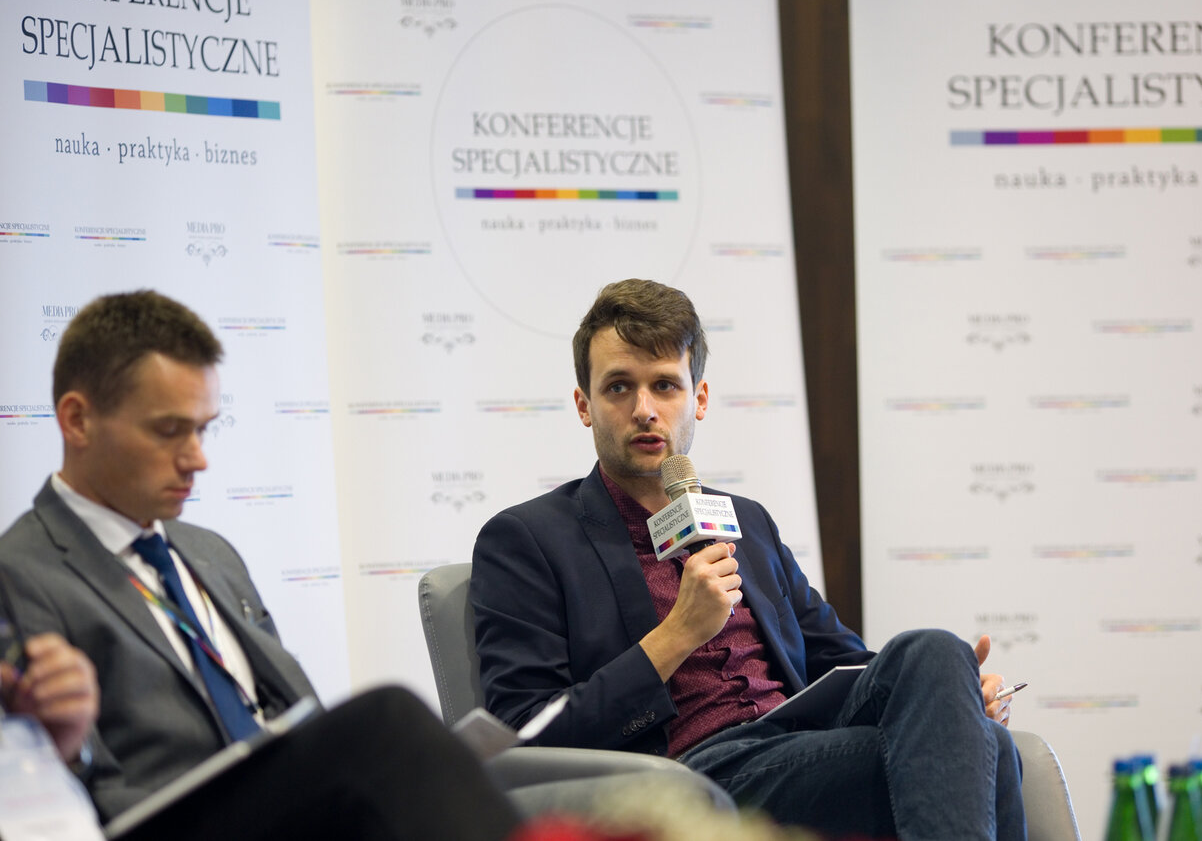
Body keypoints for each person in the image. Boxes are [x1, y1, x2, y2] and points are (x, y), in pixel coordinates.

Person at [471, 278, 1027, 840]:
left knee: (937, 651)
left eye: (664, 385)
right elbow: (524, 733)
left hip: (800, 738)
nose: (644, 410)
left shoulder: (747, 520)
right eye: (619, 387)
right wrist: (677, 634)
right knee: (993, 753)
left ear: (699, 399)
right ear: (584, 406)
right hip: (697, 774)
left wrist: (953, 696)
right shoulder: (528, 539)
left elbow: (843, 660)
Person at [0, 289, 522, 841]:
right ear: (78, 420)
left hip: (289, 808)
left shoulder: (210, 553)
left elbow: (296, 713)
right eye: (169, 431)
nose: (198, 458)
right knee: (387, 721)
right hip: (166, 822)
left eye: (203, 428)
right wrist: (67, 746)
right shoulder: (20, 572)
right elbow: (58, 789)